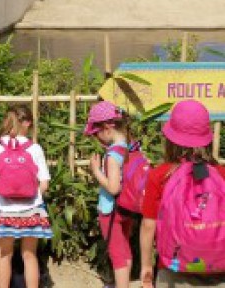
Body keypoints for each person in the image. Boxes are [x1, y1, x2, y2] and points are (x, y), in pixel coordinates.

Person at [140, 100, 225, 287]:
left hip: (173, 269)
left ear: (170, 140)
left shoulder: (159, 176)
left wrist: (146, 265)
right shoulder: (221, 174)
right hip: (220, 267)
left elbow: (148, 225)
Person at [0, 105, 52, 288]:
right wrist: (32, 198)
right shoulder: (34, 148)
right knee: (29, 255)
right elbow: (44, 183)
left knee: (4, 255)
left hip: (4, 209)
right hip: (31, 209)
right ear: (27, 123)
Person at [84, 101, 134, 288]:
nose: (96, 138)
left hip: (111, 210)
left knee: (117, 254)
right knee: (125, 249)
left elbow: (113, 188)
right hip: (127, 207)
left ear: (106, 128)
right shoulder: (130, 147)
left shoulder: (113, 154)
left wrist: (96, 171)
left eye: (96, 133)